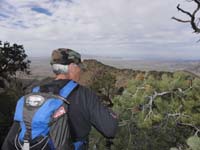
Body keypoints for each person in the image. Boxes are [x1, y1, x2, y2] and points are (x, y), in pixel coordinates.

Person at [2, 48, 118, 150]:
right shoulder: (84, 94)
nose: (81, 71)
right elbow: (110, 130)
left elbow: (13, 136)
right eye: (79, 67)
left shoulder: (34, 92)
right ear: (72, 67)